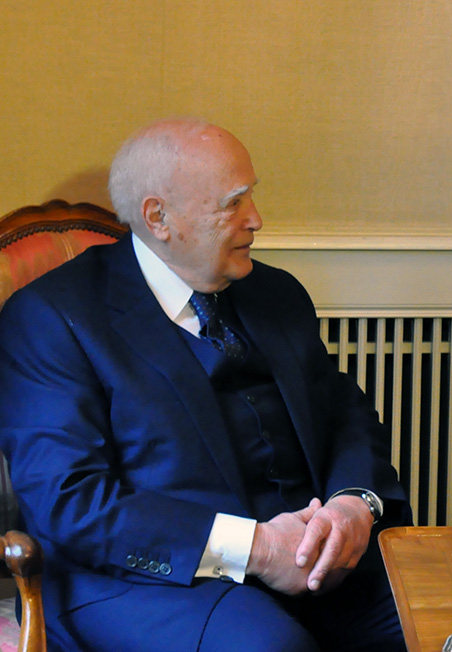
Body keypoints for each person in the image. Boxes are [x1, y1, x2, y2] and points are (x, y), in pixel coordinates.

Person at [0, 119, 413, 651]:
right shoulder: (51, 318)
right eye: (233, 203)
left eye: (252, 198)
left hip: (314, 559)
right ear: (158, 217)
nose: (256, 220)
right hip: (149, 581)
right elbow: (71, 500)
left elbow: (346, 417)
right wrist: (259, 548)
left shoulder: (277, 293)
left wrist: (355, 505)